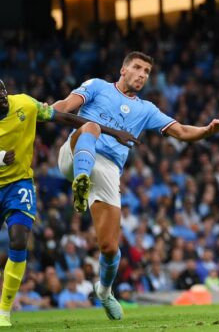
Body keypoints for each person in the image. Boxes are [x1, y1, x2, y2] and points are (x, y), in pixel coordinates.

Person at [52, 51, 219, 321]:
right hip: (77, 151)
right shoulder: (97, 86)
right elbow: (62, 107)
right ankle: (81, 180)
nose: (142, 74)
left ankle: (103, 291)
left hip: (109, 170)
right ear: (123, 70)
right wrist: (48, 109)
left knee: (110, 247)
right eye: (137, 68)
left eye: (147, 71)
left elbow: (181, 132)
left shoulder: (146, 109)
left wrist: (207, 130)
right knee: (91, 127)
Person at [0, 79, 135, 327]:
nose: (2, 96)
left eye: (2, 90)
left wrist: (110, 131)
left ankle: (4, 312)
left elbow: (65, 118)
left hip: (18, 185)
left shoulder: (25, 105)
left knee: (19, 239)